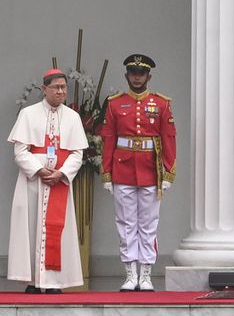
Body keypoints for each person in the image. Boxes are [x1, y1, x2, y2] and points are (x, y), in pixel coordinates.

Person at [99, 54, 177, 292]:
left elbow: (169, 139)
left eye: (141, 73)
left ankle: (146, 274)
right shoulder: (114, 103)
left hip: (150, 170)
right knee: (125, 223)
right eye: (133, 73)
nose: (136, 77)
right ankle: (130, 274)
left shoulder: (162, 104)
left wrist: (168, 172)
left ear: (148, 76)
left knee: (148, 224)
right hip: (123, 170)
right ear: (126, 76)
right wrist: (107, 173)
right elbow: (108, 139)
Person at [7, 68, 88, 293]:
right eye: (56, 87)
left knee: (58, 231)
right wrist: (40, 170)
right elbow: (20, 151)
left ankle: (54, 283)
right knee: (31, 230)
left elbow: (77, 154)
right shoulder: (28, 114)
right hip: (32, 183)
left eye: (64, 87)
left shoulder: (73, 117)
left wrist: (61, 173)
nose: (61, 91)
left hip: (59, 182)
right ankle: (32, 281)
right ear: (45, 89)